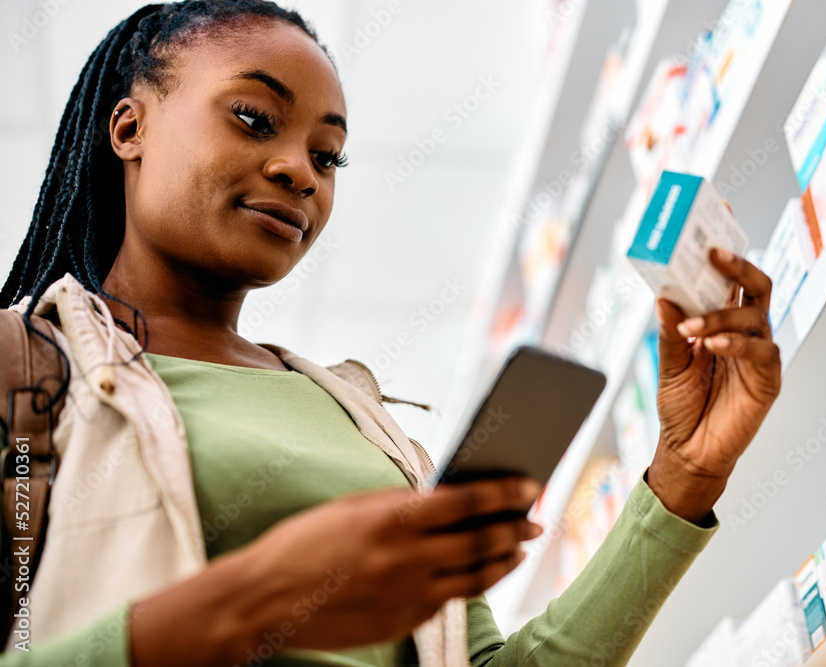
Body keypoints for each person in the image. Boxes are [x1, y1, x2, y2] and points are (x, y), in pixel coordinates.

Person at [0, 1, 781, 665]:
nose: (300, 171)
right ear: (129, 127)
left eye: (327, 154)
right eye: (253, 118)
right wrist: (263, 595)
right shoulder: (25, 369)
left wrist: (684, 477)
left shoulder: (362, 423)